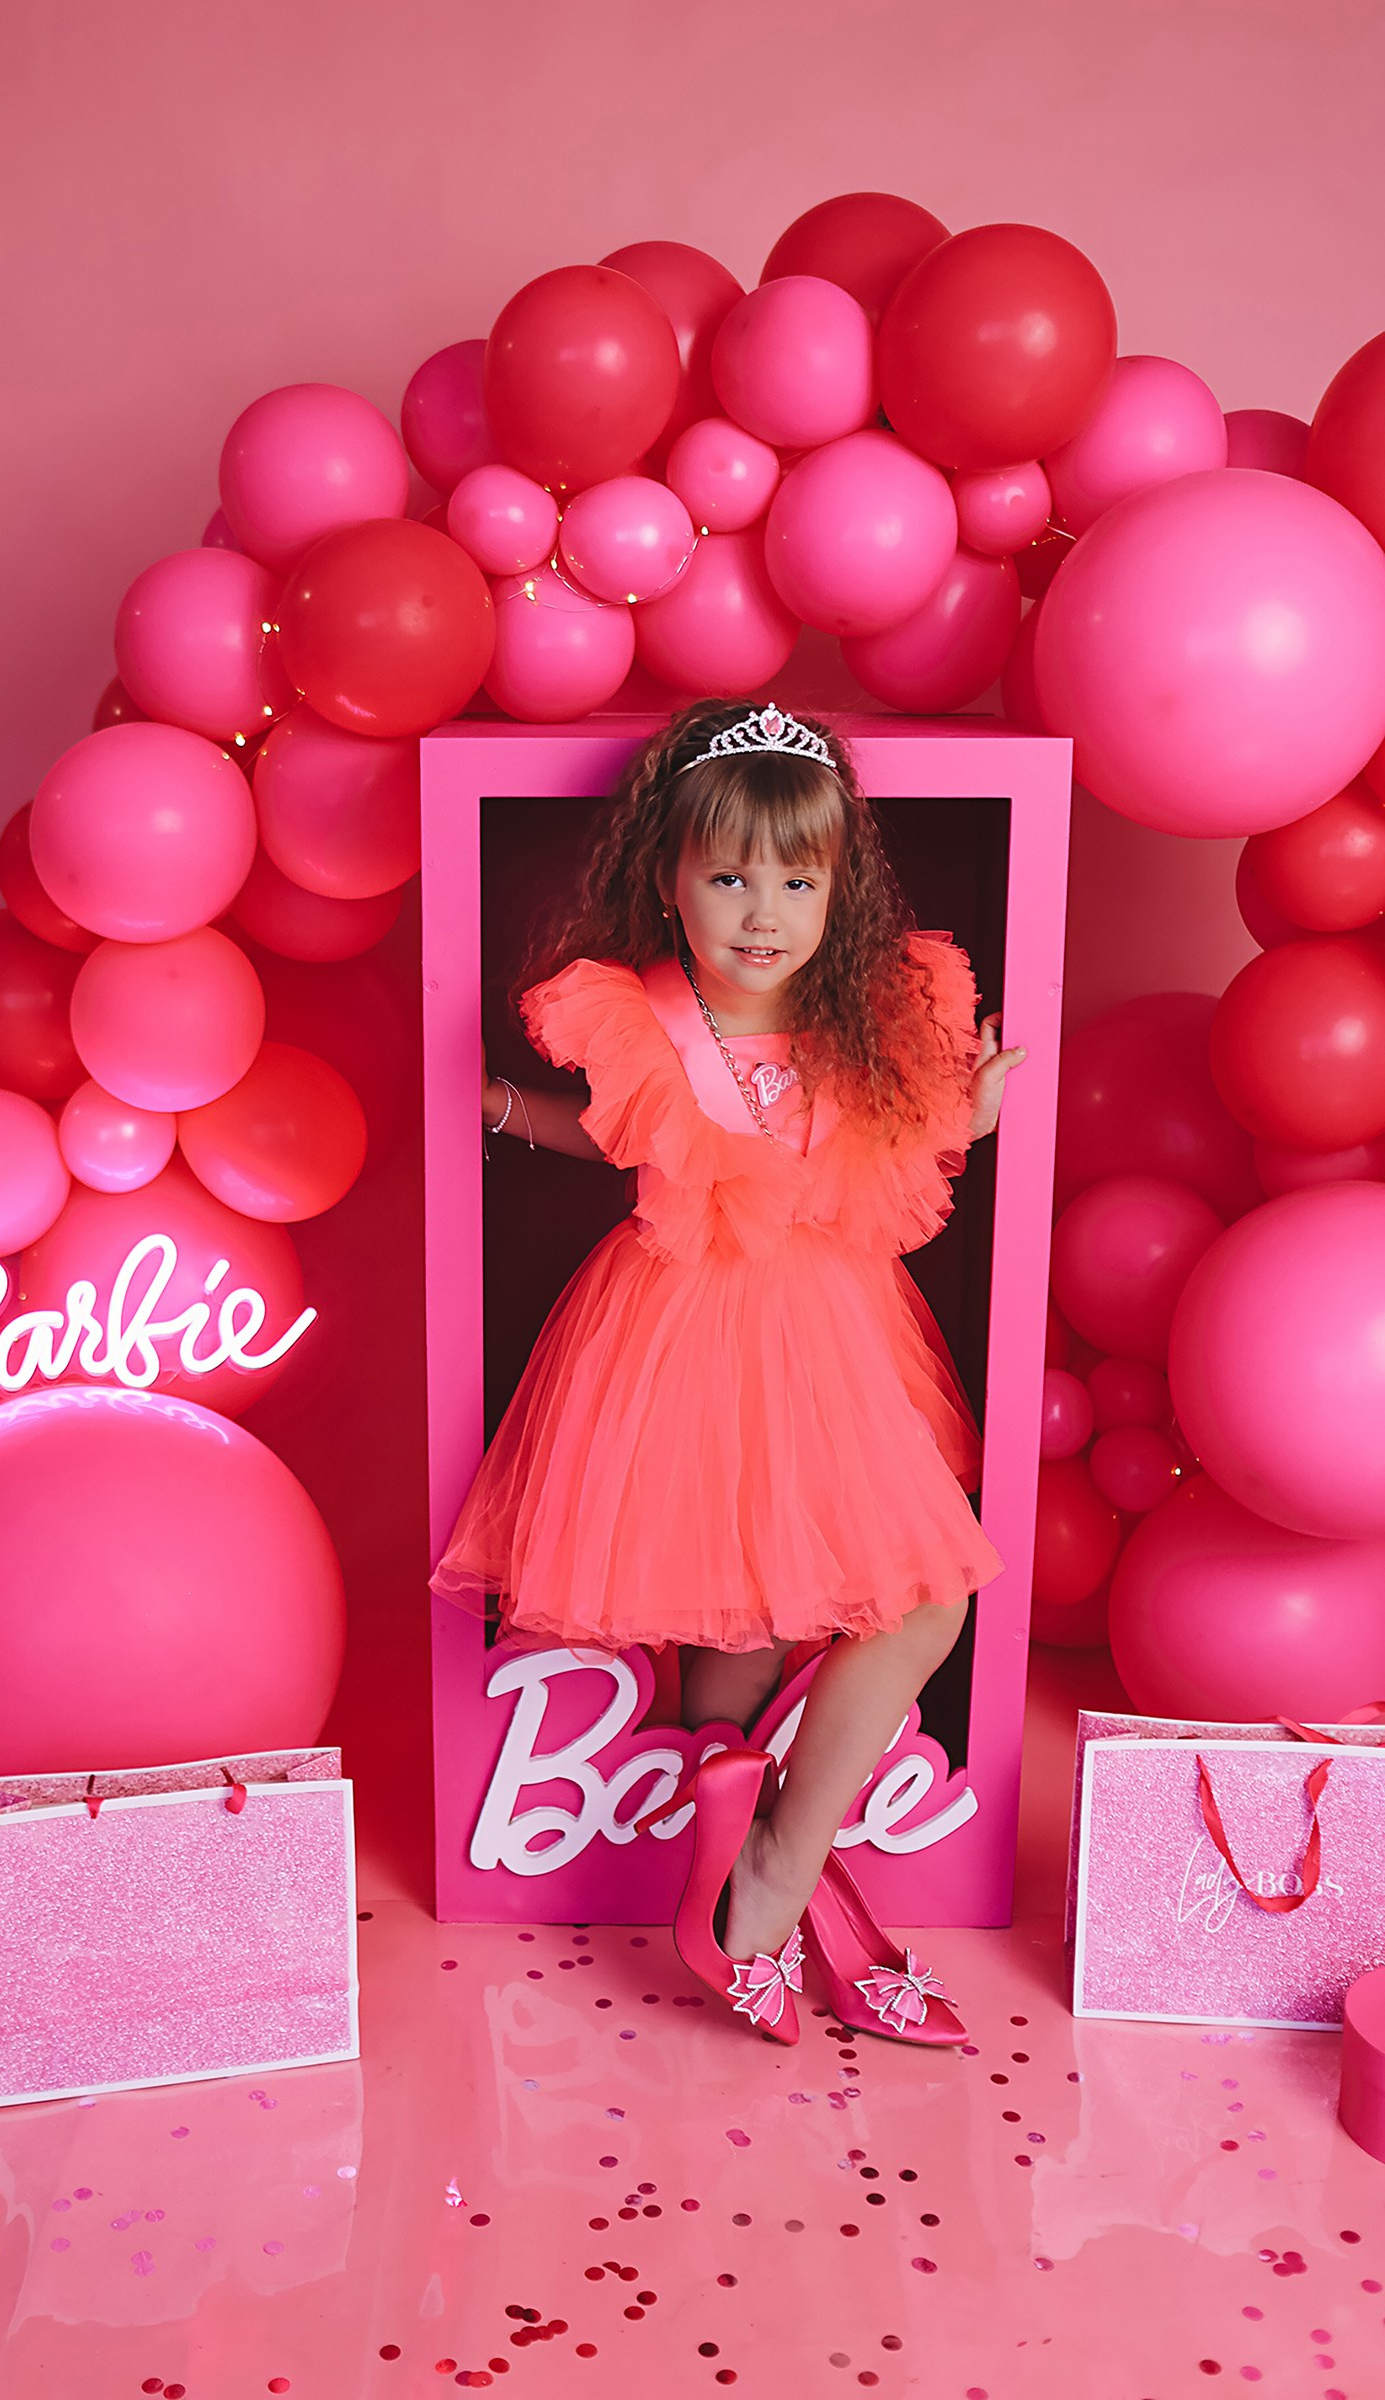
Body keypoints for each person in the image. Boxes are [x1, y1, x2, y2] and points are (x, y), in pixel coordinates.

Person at [432, 700, 1025, 2047]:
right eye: (730, 877)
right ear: (669, 878)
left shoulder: (869, 1009)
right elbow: (629, 1137)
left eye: (798, 883)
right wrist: (505, 1111)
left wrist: (967, 1116)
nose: (763, 913)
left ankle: (771, 1874)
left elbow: (881, 1155)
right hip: (679, 1321)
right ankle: (750, 1889)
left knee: (921, 1595)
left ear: (840, 890)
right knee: (734, 1621)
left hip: (834, 1327)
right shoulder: (639, 1010)